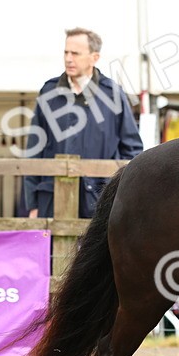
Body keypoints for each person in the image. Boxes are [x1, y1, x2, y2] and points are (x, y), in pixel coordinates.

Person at [23, 28, 144, 219]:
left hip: (99, 200)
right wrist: (32, 203)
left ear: (94, 57)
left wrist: (122, 199)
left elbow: (132, 150)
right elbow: (33, 150)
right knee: (56, 250)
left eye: (75, 53)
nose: (68, 59)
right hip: (52, 199)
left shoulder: (112, 94)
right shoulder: (49, 92)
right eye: (66, 52)